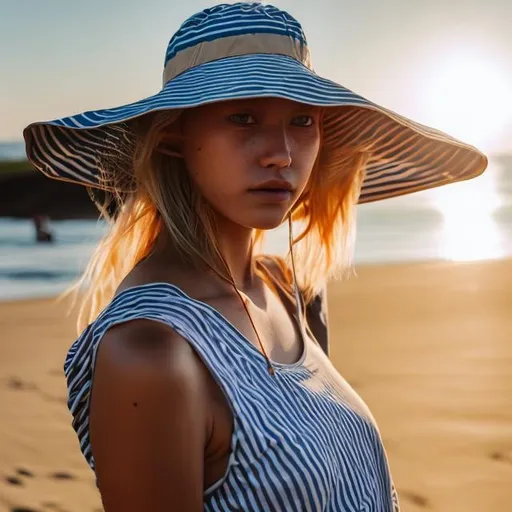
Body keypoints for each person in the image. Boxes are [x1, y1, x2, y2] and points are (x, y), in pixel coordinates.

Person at [23, 3, 487, 511]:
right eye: (243, 117)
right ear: (177, 134)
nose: (281, 153)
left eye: (302, 119)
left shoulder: (290, 292)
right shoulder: (150, 351)